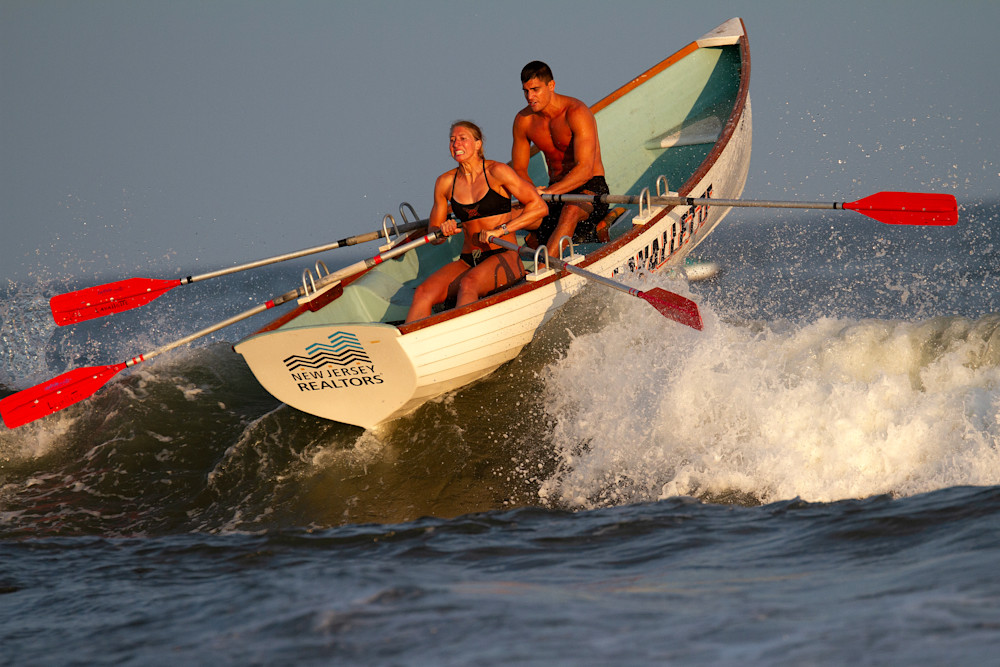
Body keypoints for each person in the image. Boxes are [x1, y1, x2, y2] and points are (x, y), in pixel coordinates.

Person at [405, 121, 547, 323]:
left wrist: (502, 230)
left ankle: (462, 339)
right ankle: (411, 345)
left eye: (463, 139)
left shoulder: (496, 172)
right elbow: (434, 235)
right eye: (452, 140)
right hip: (467, 259)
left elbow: (540, 207)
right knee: (423, 291)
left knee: (468, 284)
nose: (456, 144)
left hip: (505, 255)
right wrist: (442, 231)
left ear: (478, 144)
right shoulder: (445, 182)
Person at [512, 60, 610, 255]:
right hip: (553, 192)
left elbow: (585, 170)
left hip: (589, 187)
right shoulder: (523, 121)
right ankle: (508, 275)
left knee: (571, 210)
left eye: (535, 90)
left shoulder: (576, 112)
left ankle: (544, 271)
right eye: (525, 91)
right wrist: (531, 195)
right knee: (506, 216)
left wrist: (547, 193)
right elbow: (519, 169)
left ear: (551, 86)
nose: (529, 97)